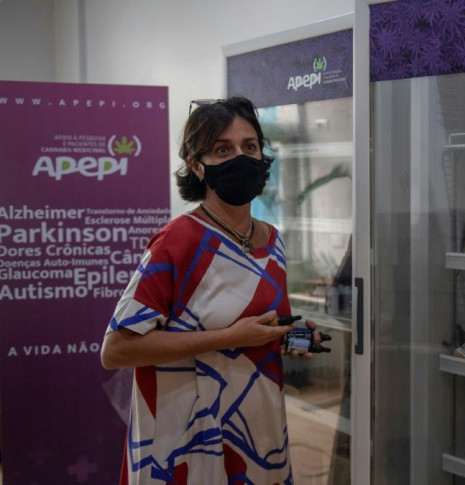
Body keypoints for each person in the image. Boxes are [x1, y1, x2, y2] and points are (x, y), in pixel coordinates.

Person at [101, 96, 321, 484]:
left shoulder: (273, 242)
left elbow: (265, 328)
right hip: (184, 440)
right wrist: (227, 338)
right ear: (196, 165)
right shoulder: (177, 242)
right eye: (223, 149)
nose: (241, 157)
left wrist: (297, 337)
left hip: (258, 434)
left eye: (249, 147)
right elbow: (116, 350)